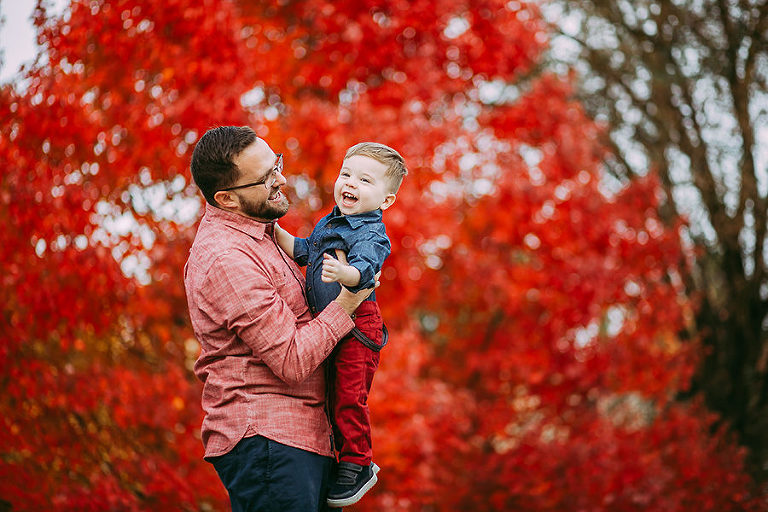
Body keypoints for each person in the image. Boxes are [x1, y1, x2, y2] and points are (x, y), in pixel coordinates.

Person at [184, 126, 375, 512]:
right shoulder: (228, 260)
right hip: (269, 443)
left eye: (277, 165)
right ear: (227, 198)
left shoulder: (264, 233)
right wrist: (350, 301)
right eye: (266, 177)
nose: (281, 179)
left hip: (302, 440)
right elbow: (291, 359)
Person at [274, 142, 407, 508]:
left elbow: (367, 268)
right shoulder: (329, 222)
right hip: (330, 322)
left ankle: (358, 463)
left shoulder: (370, 232)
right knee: (330, 393)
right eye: (346, 174)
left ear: (386, 200)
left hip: (357, 327)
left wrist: (345, 273)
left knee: (350, 394)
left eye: (365, 180)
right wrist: (273, 232)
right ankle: (339, 454)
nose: (351, 183)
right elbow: (304, 249)